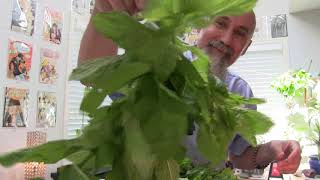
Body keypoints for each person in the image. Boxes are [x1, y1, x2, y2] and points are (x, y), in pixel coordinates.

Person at [78, 0, 301, 174]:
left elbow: (240, 155)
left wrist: (272, 150)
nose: (226, 38)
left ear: (245, 47)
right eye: (221, 23)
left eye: (240, 33)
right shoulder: (160, 61)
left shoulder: (240, 92)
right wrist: (103, 10)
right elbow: (94, 76)